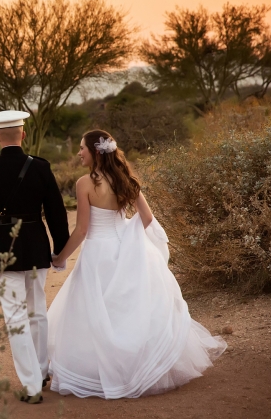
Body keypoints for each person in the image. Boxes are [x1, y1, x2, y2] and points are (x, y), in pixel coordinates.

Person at [47, 129, 227, 399]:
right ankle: (139, 366)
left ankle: (101, 372)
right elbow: (147, 218)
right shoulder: (124, 179)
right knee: (131, 309)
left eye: (82, 148)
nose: (78, 153)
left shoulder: (85, 183)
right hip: (126, 248)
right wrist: (129, 237)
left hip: (98, 253)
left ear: (96, 152)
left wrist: (60, 257)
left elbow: (82, 230)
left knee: (97, 313)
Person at [0, 110, 70, 404]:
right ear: (23, 135)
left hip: (3, 248)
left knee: (15, 317)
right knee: (37, 311)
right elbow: (56, 212)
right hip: (37, 247)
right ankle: (40, 372)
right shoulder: (40, 167)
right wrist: (59, 249)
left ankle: (31, 386)